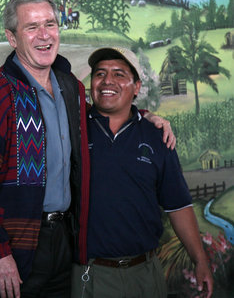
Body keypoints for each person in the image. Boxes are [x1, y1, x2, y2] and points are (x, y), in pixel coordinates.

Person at [0, 0, 175, 298]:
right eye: (32, 27)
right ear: (12, 37)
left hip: (63, 243)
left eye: (50, 24)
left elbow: (97, 117)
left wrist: (143, 116)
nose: (44, 35)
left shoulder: (69, 87)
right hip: (12, 246)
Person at [71, 47, 213, 298]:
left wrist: (200, 259)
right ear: (91, 83)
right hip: (90, 274)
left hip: (145, 273)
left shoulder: (157, 137)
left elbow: (177, 206)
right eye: (100, 74)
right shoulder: (73, 129)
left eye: (119, 74)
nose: (107, 81)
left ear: (136, 87)